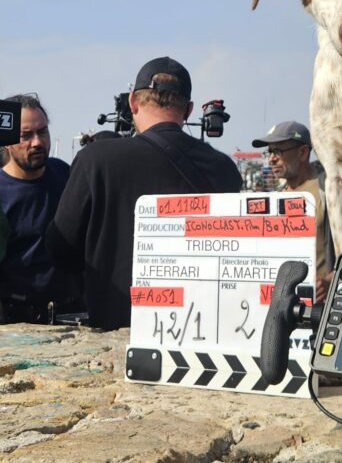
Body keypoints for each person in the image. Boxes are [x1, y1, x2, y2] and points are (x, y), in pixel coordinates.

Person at [46, 57, 242, 330]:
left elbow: (61, 248)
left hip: (116, 328)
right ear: (188, 110)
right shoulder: (224, 169)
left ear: (132, 103)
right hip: (199, 331)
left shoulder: (95, 160)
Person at [0, 94, 81, 323]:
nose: (37, 142)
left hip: (73, 315)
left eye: (42, 132)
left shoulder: (65, 174)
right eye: (26, 135)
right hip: (17, 323)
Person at [252, 121, 334, 302]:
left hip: (319, 311)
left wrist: (332, 282)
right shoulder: (275, 199)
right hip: (283, 308)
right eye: (270, 151)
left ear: (303, 152)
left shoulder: (330, 191)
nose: (271, 159)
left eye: (278, 151)